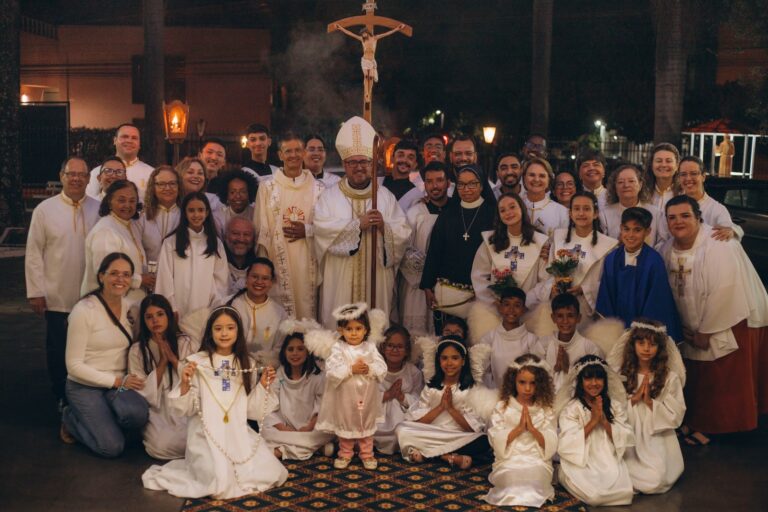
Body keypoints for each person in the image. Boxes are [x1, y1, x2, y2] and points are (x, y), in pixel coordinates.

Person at [142, 306, 288, 498]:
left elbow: (251, 411)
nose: (224, 333)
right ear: (210, 333)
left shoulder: (247, 364)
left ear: (238, 331)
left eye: (230, 328)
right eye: (218, 328)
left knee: (271, 472)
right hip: (206, 435)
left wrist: (262, 386)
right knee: (217, 480)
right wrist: (185, 383)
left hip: (237, 435)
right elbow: (185, 409)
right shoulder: (196, 363)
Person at [659, 195, 768, 443]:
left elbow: (726, 290)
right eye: (672, 217)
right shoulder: (666, 248)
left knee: (719, 375)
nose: (678, 222)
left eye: (685, 215)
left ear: (698, 217)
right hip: (690, 325)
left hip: (727, 319)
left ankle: (713, 426)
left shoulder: (718, 244)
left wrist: (706, 331)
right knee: (695, 375)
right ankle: (695, 420)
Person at [314, 116, 411, 327]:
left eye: (364, 162)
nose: (359, 167)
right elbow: (322, 231)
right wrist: (358, 226)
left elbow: (403, 233)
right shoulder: (329, 197)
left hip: (376, 278)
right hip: (340, 277)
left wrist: (386, 229)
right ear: (344, 164)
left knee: (374, 329)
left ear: (372, 163)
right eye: (353, 162)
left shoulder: (385, 197)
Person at [26, 157, 100, 409]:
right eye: (72, 174)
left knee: (88, 349)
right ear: (62, 176)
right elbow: (34, 252)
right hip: (57, 293)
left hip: (91, 295)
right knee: (59, 349)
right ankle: (62, 395)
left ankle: (86, 396)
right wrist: (36, 291)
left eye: (82, 174)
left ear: (89, 179)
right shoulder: (45, 210)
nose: (77, 178)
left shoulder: (98, 209)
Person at [62, 253, 150, 455]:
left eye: (126, 275)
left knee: (137, 416)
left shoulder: (130, 309)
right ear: (101, 276)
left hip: (117, 384)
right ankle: (70, 418)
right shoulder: (84, 310)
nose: (121, 280)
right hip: (85, 385)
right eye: (114, 273)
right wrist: (116, 381)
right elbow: (73, 366)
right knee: (111, 447)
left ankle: (101, 420)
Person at [607, 320, 686, 494]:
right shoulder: (622, 374)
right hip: (629, 430)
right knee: (614, 471)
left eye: (652, 344)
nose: (646, 349)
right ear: (632, 345)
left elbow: (677, 412)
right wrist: (633, 400)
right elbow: (611, 407)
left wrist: (651, 403)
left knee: (656, 479)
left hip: (655, 432)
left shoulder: (669, 377)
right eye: (641, 343)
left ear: (660, 348)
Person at [307, 303, 388, 470]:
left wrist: (370, 368)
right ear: (340, 330)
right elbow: (332, 370)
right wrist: (351, 369)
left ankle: (367, 454)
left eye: (358, 328)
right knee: (346, 422)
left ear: (366, 330)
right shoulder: (338, 348)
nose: (353, 333)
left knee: (365, 423)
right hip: (346, 396)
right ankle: (345, 454)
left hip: (366, 395)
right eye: (349, 329)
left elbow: (382, 367)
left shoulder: (370, 347)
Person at [255, 133, 324, 319]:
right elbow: (261, 230)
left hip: (308, 262)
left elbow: (327, 229)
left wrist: (308, 231)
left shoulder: (319, 189)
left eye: (297, 150)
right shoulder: (267, 188)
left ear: (303, 153)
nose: (293, 155)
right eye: (288, 151)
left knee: (307, 314)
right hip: (278, 264)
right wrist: (265, 268)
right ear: (280, 155)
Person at [396, 335, 489, 470]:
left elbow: (472, 428)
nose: (449, 363)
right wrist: (440, 408)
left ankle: (427, 454)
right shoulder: (431, 387)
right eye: (444, 358)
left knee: (483, 441)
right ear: (439, 361)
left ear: (463, 361)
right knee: (401, 429)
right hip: (432, 433)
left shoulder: (470, 389)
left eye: (454, 358)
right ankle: (447, 456)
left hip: (458, 435)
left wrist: (451, 409)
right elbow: (418, 422)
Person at [556, 355, 634, 506]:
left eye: (598, 378)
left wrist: (604, 420)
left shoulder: (614, 406)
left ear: (605, 381)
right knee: (596, 497)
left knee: (624, 493)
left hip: (607, 458)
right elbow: (567, 443)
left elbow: (625, 436)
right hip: (581, 461)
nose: (594, 383)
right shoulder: (572, 409)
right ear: (580, 381)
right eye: (588, 378)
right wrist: (593, 421)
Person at [421, 165, 495, 323]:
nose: (466, 189)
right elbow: (435, 251)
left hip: (482, 293)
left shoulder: (493, 214)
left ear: (482, 185)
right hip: (449, 295)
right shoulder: (448, 214)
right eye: (461, 184)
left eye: (472, 184)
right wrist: (427, 286)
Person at [596, 207, 682, 341]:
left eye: (637, 230)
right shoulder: (612, 259)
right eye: (626, 229)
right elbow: (606, 297)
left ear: (648, 231)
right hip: (617, 333)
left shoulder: (654, 262)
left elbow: (656, 302)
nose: (630, 235)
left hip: (644, 334)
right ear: (620, 228)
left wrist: (639, 332)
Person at [483, 354, 557, 508]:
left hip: (536, 459)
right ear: (513, 381)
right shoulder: (503, 407)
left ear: (540, 384)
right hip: (509, 460)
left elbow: (551, 444)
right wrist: (518, 429)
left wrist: (532, 429)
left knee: (535, 482)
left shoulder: (545, 409)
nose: (528, 388)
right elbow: (495, 440)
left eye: (533, 383)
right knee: (511, 483)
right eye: (522, 382)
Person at [129, 294, 195, 460]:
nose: (155, 321)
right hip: (157, 410)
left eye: (160, 314)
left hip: (183, 405)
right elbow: (142, 391)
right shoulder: (137, 350)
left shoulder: (184, 342)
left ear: (169, 316)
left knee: (197, 438)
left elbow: (194, 379)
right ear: (143, 321)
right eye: (149, 317)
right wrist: (162, 363)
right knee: (159, 447)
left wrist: (173, 359)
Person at [531, 191, 618, 318]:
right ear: (570, 213)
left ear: (596, 214)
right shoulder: (558, 237)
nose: (581, 213)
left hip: (586, 309)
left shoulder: (609, 245)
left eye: (587, 209)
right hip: (559, 307)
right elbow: (547, 274)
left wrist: (584, 289)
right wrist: (553, 288)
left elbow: (609, 283)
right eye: (576, 209)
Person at [258, 330, 334, 460]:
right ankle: (316, 448)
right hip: (285, 428)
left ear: (308, 352)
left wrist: (309, 427)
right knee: (264, 430)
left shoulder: (318, 377)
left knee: (327, 431)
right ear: (284, 352)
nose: (295, 353)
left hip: (311, 428)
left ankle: (282, 451)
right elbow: (268, 404)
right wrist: (283, 428)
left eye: (300, 349)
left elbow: (323, 407)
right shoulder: (279, 374)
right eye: (290, 349)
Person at [155, 192, 229, 319]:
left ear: (207, 213)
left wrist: (215, 307)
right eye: (191, 210)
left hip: (206, 309)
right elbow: (164, 278)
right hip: (178, 310)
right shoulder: (171, 242)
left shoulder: (215, 243)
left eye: (200, 210)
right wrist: (171, 308)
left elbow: (221, 280)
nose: (196, 215)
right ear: (185, 213)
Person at [471, 192, 549, 308]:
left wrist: (525, 303)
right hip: (497, 307)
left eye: (512, 207)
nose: (508, 213)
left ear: (522, 209)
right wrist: (494, 301)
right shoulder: (491, 241)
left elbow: (545, 279)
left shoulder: (540, 241)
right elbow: (478, 276)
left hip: (530, 307)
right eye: (502, 210)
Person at [399, 161, 450, 334]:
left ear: (448, 183)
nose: (435, 186)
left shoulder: (457, 210)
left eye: (440, 180)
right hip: (419, 289)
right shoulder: (415, 213)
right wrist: (429, 277)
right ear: (424, 184)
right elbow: (403, 249)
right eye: (429, 181)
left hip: (452, 287)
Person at [82, 180, 151, 303]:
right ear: (109, 201)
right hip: (107, 304)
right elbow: (105, 273)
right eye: (121, 200)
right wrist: (140, 280)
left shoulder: (131, 226)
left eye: (132, 201)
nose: (127, 205)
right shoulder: (105, 231)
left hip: (129, 303)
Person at [478, 288, 545, 388]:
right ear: (500, 307)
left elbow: (537, 372)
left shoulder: (532, 340)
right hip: (495, 395)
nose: (511, 309)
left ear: (523, 310)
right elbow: (483, 372)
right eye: (507, 304)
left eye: (517, 305)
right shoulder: (488, 339)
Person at [375, 325, 425, 454]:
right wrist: (387, 394)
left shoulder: (413, 372)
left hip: (402, 416)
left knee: (407, 430)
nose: (394, 350)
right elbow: (365, 396)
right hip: (377, 415)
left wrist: (401, 397)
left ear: (407, 350)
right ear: (383, 348)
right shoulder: (375, 369)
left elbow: (420, 401)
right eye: (390, 345)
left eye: (399, 347)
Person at [543, 293, 603, 392]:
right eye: (560, 316)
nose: (565, 321)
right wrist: (555, 369)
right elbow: (536, 380)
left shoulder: (590, 348)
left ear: (578, 318)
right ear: (553, 318)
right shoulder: (543, 345)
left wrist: (568, 370)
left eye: (570, 315)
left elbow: (596, 383)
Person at [227, 258, 289, 356]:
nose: (259, 282)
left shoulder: (280, 314)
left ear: (271, 282)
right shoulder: (232, 304)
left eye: (265, 278)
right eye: (254, 276)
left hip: (264, 368)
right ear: (246, 278)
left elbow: (279, 349)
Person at [678, 155, 743, 241]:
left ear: (703, 177)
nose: (688, 178)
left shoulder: (717, 209)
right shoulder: (673, 204)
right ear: (679, 178)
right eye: (683, 174)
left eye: (693, 173)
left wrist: (732, 230)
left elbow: (728, 229)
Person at [600, 163, 667, 246]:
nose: (626, 185)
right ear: (615, 187)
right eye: (620, 182)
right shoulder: (605, 215)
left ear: (640, 185)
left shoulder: (656, 213)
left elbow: (661, 243)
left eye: (631, 181)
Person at [86, 124, 154, 199]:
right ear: (115, 140)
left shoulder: (151, 173)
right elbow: (89, 203)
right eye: (125, 137)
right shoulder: (98, 172)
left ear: (139, 144)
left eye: (134, 138)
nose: (129, 141)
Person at [138, 165, 181, 264]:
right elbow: (138, 251)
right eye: (161, 184)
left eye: (172, 183)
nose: (167, 188)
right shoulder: (142, 217)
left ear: (179, 186)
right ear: (153, 187)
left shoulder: (186, 215)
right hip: (151, 274)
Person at [520, 157, 569, 236]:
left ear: (549, 180)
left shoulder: (562, 213)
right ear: (524, 178)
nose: (536, 179)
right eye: (531, 175)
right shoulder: (514, 206)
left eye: (542, 176)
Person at [213, 169, 257, 240]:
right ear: (226, 195)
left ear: (249, 193)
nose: (238, 196)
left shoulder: (256, 214)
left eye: (242, 192)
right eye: (232, 192)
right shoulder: (218, 217)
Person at [223, 217, 257, 295]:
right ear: (225, 236)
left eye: (246, 234)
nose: (241, 239)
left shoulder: (257, 266)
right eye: (235, 233)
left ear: (253, 239)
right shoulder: (216, 264)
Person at [644, 143, 680, 211]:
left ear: (677, 166)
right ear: (651, 165)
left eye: (668, 161)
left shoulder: (684, 193)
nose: (663, 165)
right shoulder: (642, 192)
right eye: (659, 161)